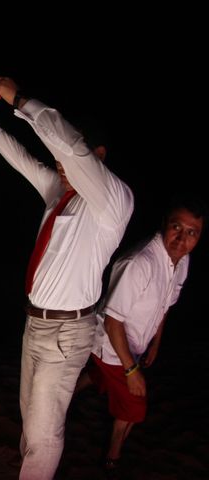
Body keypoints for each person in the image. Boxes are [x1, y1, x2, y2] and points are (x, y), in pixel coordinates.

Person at [0, 77, 134, 479]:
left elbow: (68, 145)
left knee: (43, 432)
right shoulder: (59, 192)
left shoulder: (113, 201)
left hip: (68, 334)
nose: (58, 164)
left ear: (97, 156)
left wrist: (21, 100)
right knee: (30, 425)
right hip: (35, 324)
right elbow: (19, 157)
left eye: (69, 159)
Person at [77, 194, 205, 474]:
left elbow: (165, 305)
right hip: (110, 346)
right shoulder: (140, 263)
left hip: (130, 345)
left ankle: (68, 394)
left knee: (98, 375)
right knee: (135, 407)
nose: (182, 238)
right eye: (176, 227)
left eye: (192, 233)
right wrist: (132, 369)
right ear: (164, 224)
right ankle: (112, 458)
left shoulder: (181, 261)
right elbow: (113, 323)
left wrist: (156, 343)